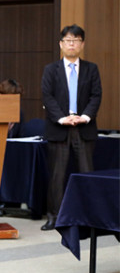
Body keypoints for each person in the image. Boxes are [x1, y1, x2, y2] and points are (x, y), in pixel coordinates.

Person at [40, 24, 102, 230]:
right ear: (61, 44)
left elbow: (96, 96)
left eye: (76, 41)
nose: (72, 44)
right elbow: (47, 97)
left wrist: (85, 116)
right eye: (68, 40)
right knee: (57, 176)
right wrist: (61, 118)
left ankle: (90, 217)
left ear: (82, 44)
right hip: (59, 128)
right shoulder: (51, 69)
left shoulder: (91, 69)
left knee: (87, 174)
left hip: (84, 128)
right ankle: (55, 217)